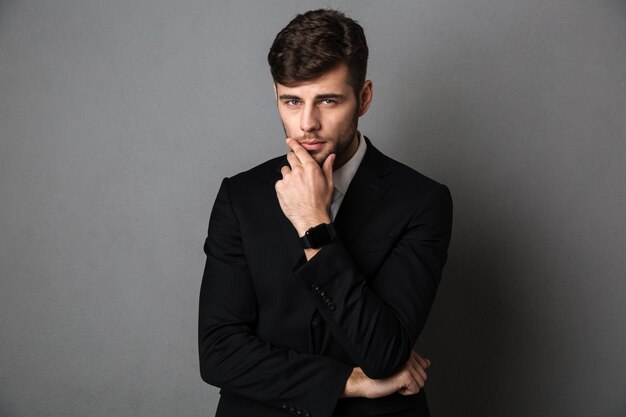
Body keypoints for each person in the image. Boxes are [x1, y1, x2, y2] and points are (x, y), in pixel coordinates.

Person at [198, 9, 453, 417]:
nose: (307, 124)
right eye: (292, 101)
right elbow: (218, 353)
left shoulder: (421, 201)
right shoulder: (239, 197)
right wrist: (348, 382)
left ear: (364, 98)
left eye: (328, 101)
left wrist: (313, 223)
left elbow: (384, 353)